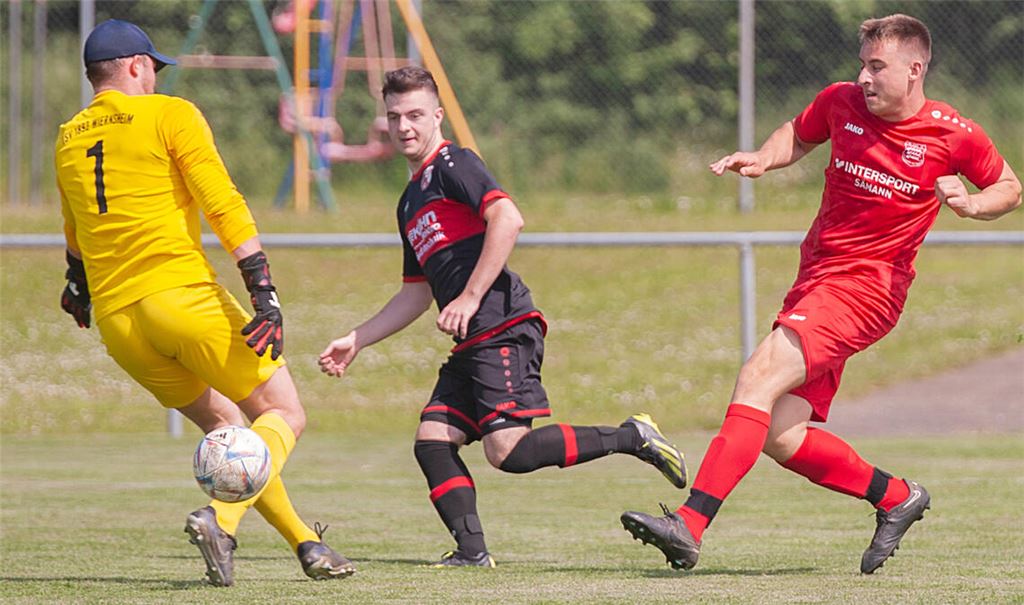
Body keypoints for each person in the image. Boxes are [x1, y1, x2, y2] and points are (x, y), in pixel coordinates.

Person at [621, 13, 1021, 574]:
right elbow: (799, 132)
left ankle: (688, 526)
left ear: (915, 68)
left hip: (868, 287)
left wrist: (972, 204)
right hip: (817, 279)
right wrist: (764, 156)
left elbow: (1009, 186)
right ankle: (895, 496)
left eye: (877, 67)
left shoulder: (951, 131)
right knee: (782, 434)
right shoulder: (841, 101)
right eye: (862, 64)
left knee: (756, 378)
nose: (864, 77)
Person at [318, 66, 688, 567]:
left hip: (501, 323)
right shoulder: (409, 202)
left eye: (415, 115)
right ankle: (472, 554)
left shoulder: (454, 164)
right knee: (433, 440)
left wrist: (470, 296)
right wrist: (357, 340)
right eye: (394, 116)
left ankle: (632, 436)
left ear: (437, 116)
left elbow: (507, 217)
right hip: (471, 339)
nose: (404, 126)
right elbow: (416, 294)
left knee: (507, 453)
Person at [55, 19, 356, 587]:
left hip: (120, 325)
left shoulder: (68, 136)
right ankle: (220, 518)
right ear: (137, 67)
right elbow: (220, 200)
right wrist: (262, 287)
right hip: (180, 299)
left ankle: (309, 545)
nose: (156, 80)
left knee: (228, 433)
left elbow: (74, 227)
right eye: (154, 70)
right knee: (285, 413)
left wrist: (77, 286)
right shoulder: (171, 114)